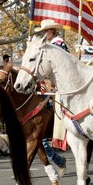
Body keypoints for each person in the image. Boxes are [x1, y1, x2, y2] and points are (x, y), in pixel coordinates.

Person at [35, 19, 70, 156]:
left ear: (52, 30)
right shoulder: (48, 45)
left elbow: (59, 66)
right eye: (43, 31)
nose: (44, 33)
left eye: (46, 30)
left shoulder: (58, 43)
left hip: (57, 81)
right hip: (47, 82)